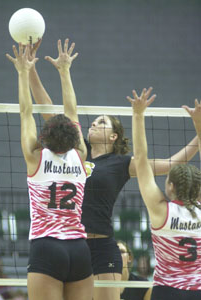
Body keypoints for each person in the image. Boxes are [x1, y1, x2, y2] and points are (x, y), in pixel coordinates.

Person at [28, 39, 199, 300]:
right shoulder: (76, 150)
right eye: (94, 121)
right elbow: (48, 109)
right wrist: (29, 70)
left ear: (114, 137)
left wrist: (199, 135)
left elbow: (174, 164)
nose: (94, 124)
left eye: (102, 122)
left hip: (101, 244)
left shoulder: (123, 163)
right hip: (69, 241)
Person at [6, 41, 93, 300]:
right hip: (79, 248)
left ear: (44, 137)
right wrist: (64, 71)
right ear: (74, 137)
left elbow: (25, 113)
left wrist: (22, 73)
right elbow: (72, 111)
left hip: (46, 246)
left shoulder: (35, 158)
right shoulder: (81, 156)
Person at [128, 89, 201, 300]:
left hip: (166, 291)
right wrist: (199, 124)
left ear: (169, 186)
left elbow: (141, 159)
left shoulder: (161, 210)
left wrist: (138, 115)